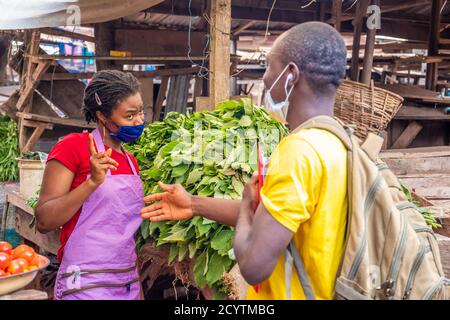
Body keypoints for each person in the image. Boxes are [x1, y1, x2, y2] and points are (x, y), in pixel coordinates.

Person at [140, 22, 348, 300]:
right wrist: (193, 204)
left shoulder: (298, 152)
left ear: (290, 75)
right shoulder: (340, 143)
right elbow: (278, 219)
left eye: (269, 66)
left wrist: (248, 206)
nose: (265, 77)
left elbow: (252, 266)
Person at [35, 70, 146, 300]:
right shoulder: (73, 147)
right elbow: (44, 221)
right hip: (86, 284)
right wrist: (92, 182)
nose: (139, 121)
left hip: (127, 282)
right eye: (130, 116)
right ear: (103, 116)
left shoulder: (130, 160)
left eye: (141, 112)